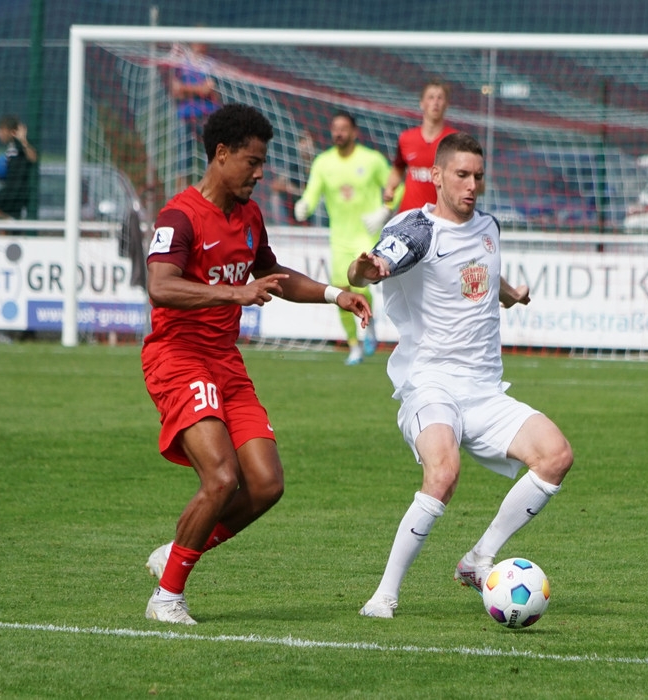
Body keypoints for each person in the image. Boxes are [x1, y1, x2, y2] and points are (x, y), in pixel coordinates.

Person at [141, 103, 371, 625]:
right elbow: (161, 285)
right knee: (221, 478)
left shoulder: (248, 215)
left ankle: (176, 551)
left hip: (224, 361)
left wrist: (336, 294)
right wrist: (233, 294)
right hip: (177, 359)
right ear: (221, 155)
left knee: (266, 484)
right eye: (252, 161)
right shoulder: (179, 216)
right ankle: (168, 597)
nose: (261, 172)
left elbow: (272, 275)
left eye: (263, 161)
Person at [348, 132, 573, 618]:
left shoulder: (489, 226)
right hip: (430, 383)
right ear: (437, 176)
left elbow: (484, 279)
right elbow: (371, 266)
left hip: (485, 390)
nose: (472, 185)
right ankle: (384, 595)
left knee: (555, 456)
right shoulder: (416, 230)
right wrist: (365, 268)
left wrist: (512, 294)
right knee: (444, 472)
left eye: (478, 175)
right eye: (461, 175)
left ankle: (479, 559)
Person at [293, 112, 393, 365]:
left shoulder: (372, 160)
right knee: (339, 292)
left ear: (354, 132)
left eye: (344, 128)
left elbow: (396, 184)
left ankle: (369, 323)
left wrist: (385, 209)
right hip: (339, 238)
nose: (339, 133)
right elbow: (312, 192)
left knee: (361, 285)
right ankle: (353, 345)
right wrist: (304, 204)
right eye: (335, 128)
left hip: (366, 236)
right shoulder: (323, 163)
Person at [382, 79, 458, 215]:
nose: (435, 102)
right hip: (409, 215)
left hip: (441, 217)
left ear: (446, 104)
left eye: (440, 98)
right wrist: (390, 188)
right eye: (431, 97)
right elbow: (398, 168)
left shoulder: (455, 140)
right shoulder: (406, 138)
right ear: (422, 103)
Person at [170, 42, 220, 190]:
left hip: (207, 115)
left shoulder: (211, 65)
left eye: (202, 41)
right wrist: (200, 89)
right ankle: (180, 196)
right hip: (186, 116)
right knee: (183, 159)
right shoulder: (182, 65)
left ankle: (209, 196)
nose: (199, 45)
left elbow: (210, 90)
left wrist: (186, 89)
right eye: (197, 41)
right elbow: (176, 90)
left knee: (210, 157)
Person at [0, 115, 38, 219]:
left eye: (1, 131)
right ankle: (10, 224)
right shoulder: (10, 148)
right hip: (9, 188)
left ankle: (10, 222)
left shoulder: (21, 145)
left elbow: (33, 158)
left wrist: (23, 140)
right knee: (4, 229)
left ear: (11, 132)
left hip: (14, 191)